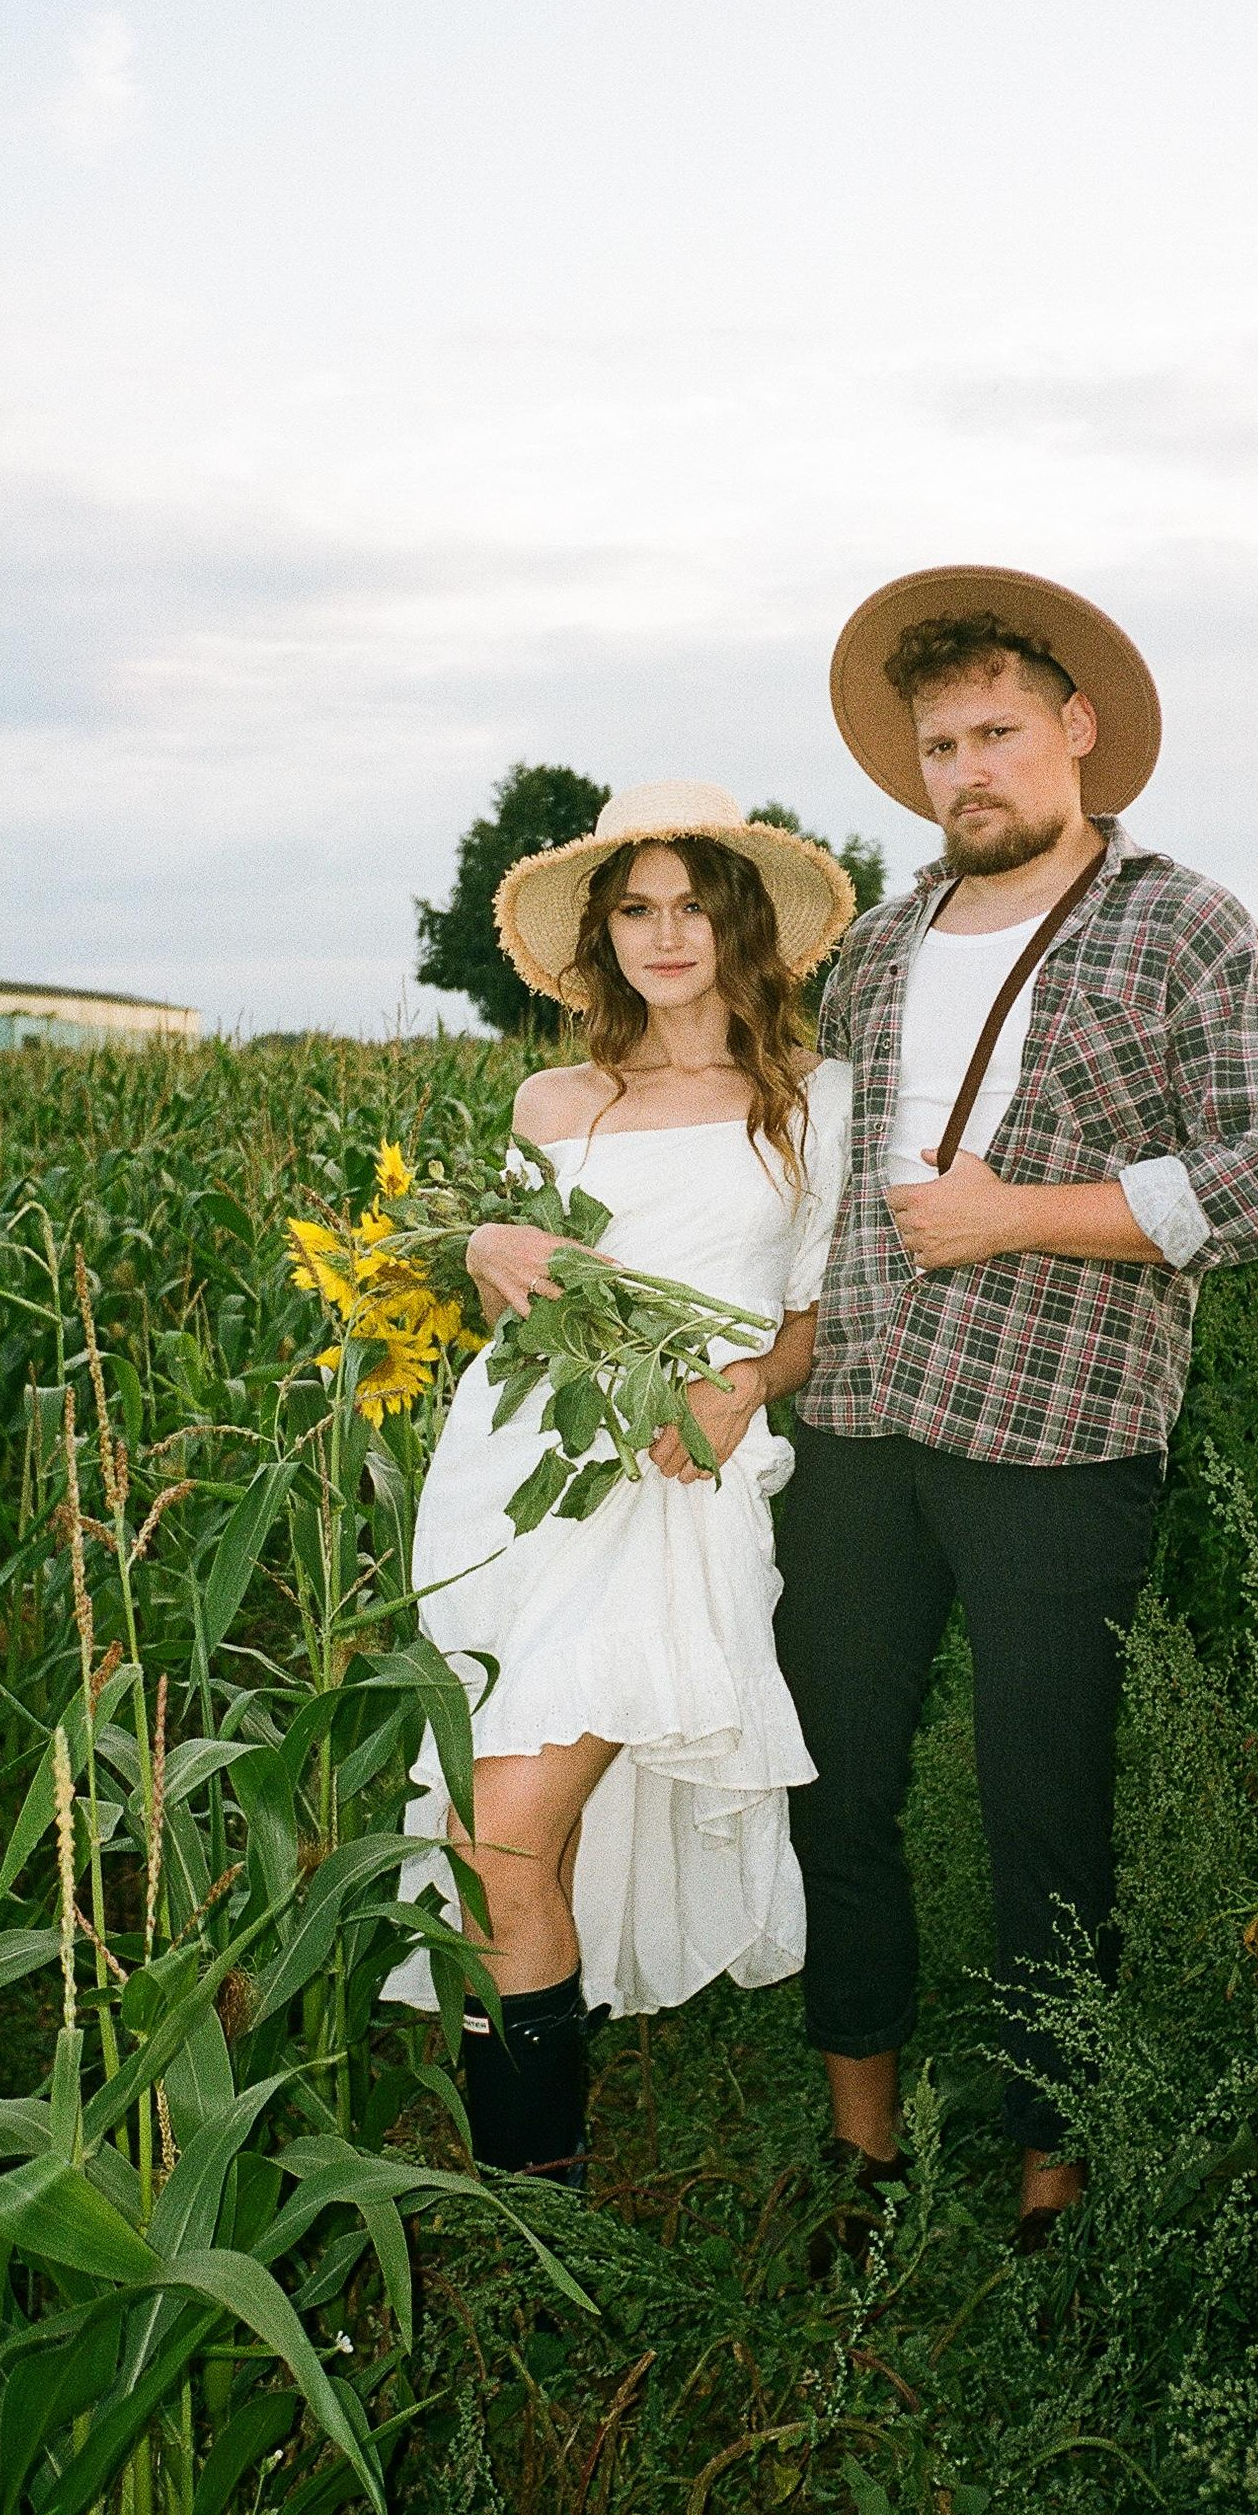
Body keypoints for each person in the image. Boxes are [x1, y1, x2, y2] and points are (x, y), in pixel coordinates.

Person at [775, 565, 1258, 2251]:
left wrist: (1028, 1211)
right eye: (940, 745)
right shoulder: (871, 950)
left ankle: (1051, 2171)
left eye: (999, 733)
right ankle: (862, 2152)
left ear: (1077, 731)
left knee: (1044, 1803)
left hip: (1062, 1432)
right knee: (840, 1780)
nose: (968, 771)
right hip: (862, 1420)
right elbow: (802, 1181)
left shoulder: (1187, 928)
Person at [383, 779, 856, 2185]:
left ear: (741, 923)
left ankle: (537, 2183)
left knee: (497, 1834)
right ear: (600, 934)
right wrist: (480, 1248)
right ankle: (544, 2180)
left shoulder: (808, 1103)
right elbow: (523, 1304)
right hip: (520, 1480)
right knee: (516, 1838)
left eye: (693, 905)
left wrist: (741, 1384)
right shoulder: (554, 1098)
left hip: (671, 1497)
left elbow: (809, 1327)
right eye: (637, 908)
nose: (667, 935)